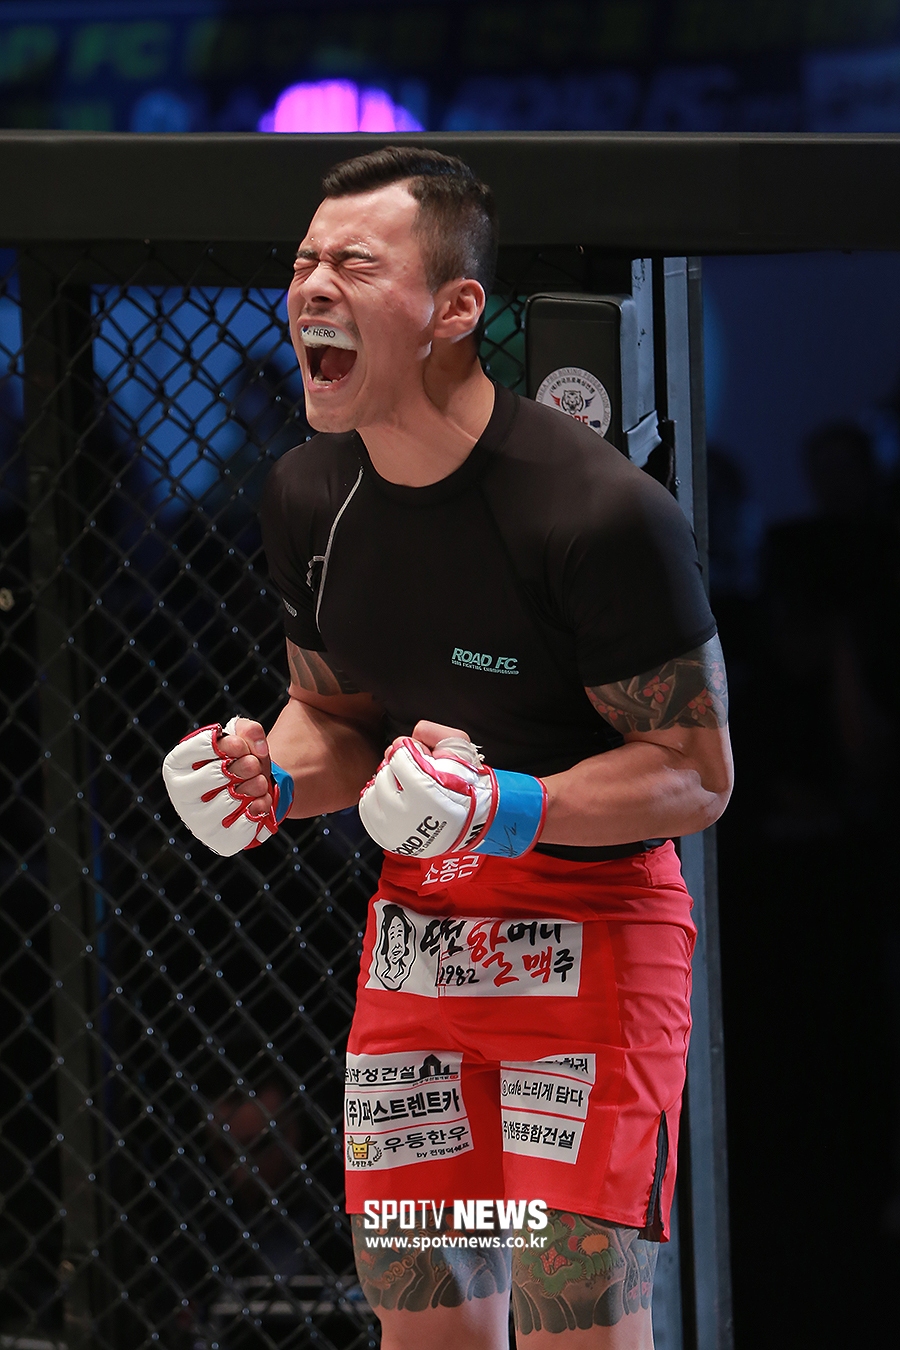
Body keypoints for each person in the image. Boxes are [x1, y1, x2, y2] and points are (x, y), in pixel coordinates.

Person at [163, 146, 733, 1349]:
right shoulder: (306, 496)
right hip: (421, 947)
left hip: (590, 947)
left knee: (577, 1324)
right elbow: (336, 716)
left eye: (354, 263)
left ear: (455, 307)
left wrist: (501, 807)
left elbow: (693, 772)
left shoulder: (597, 511)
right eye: (304, 262)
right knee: (425, 1330)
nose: (311, 286)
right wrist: (268, 774)